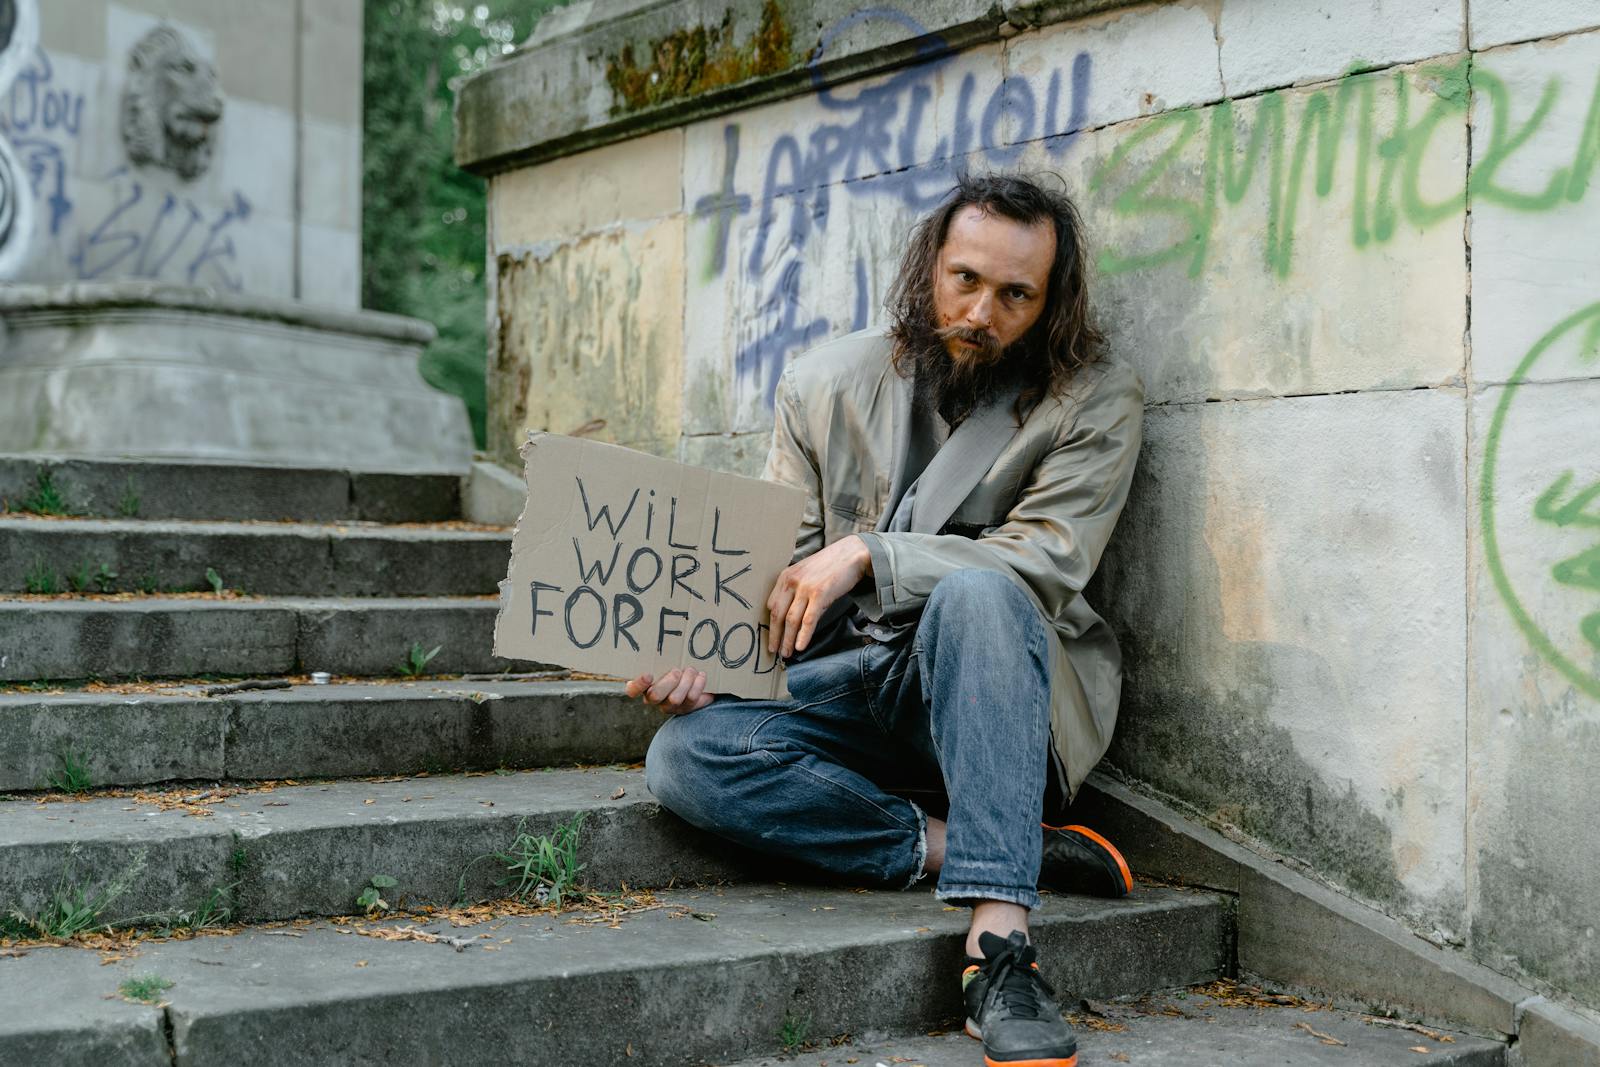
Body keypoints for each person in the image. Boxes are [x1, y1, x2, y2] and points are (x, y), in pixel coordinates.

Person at [629, 172, 1144, 1067]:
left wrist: (871, 552)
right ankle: (994, 844)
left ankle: (999, 948)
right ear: (927, 269)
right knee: (685, 757)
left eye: (1016, 293)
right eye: (965, 280)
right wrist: (701, 657)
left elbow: (1048, 561)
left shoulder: (1095, 400)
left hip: (1002, 698)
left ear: (1051, 302)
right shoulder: (826, 383)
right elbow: (766, 575)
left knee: (982, 591)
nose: (983, 311)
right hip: (859, 684)